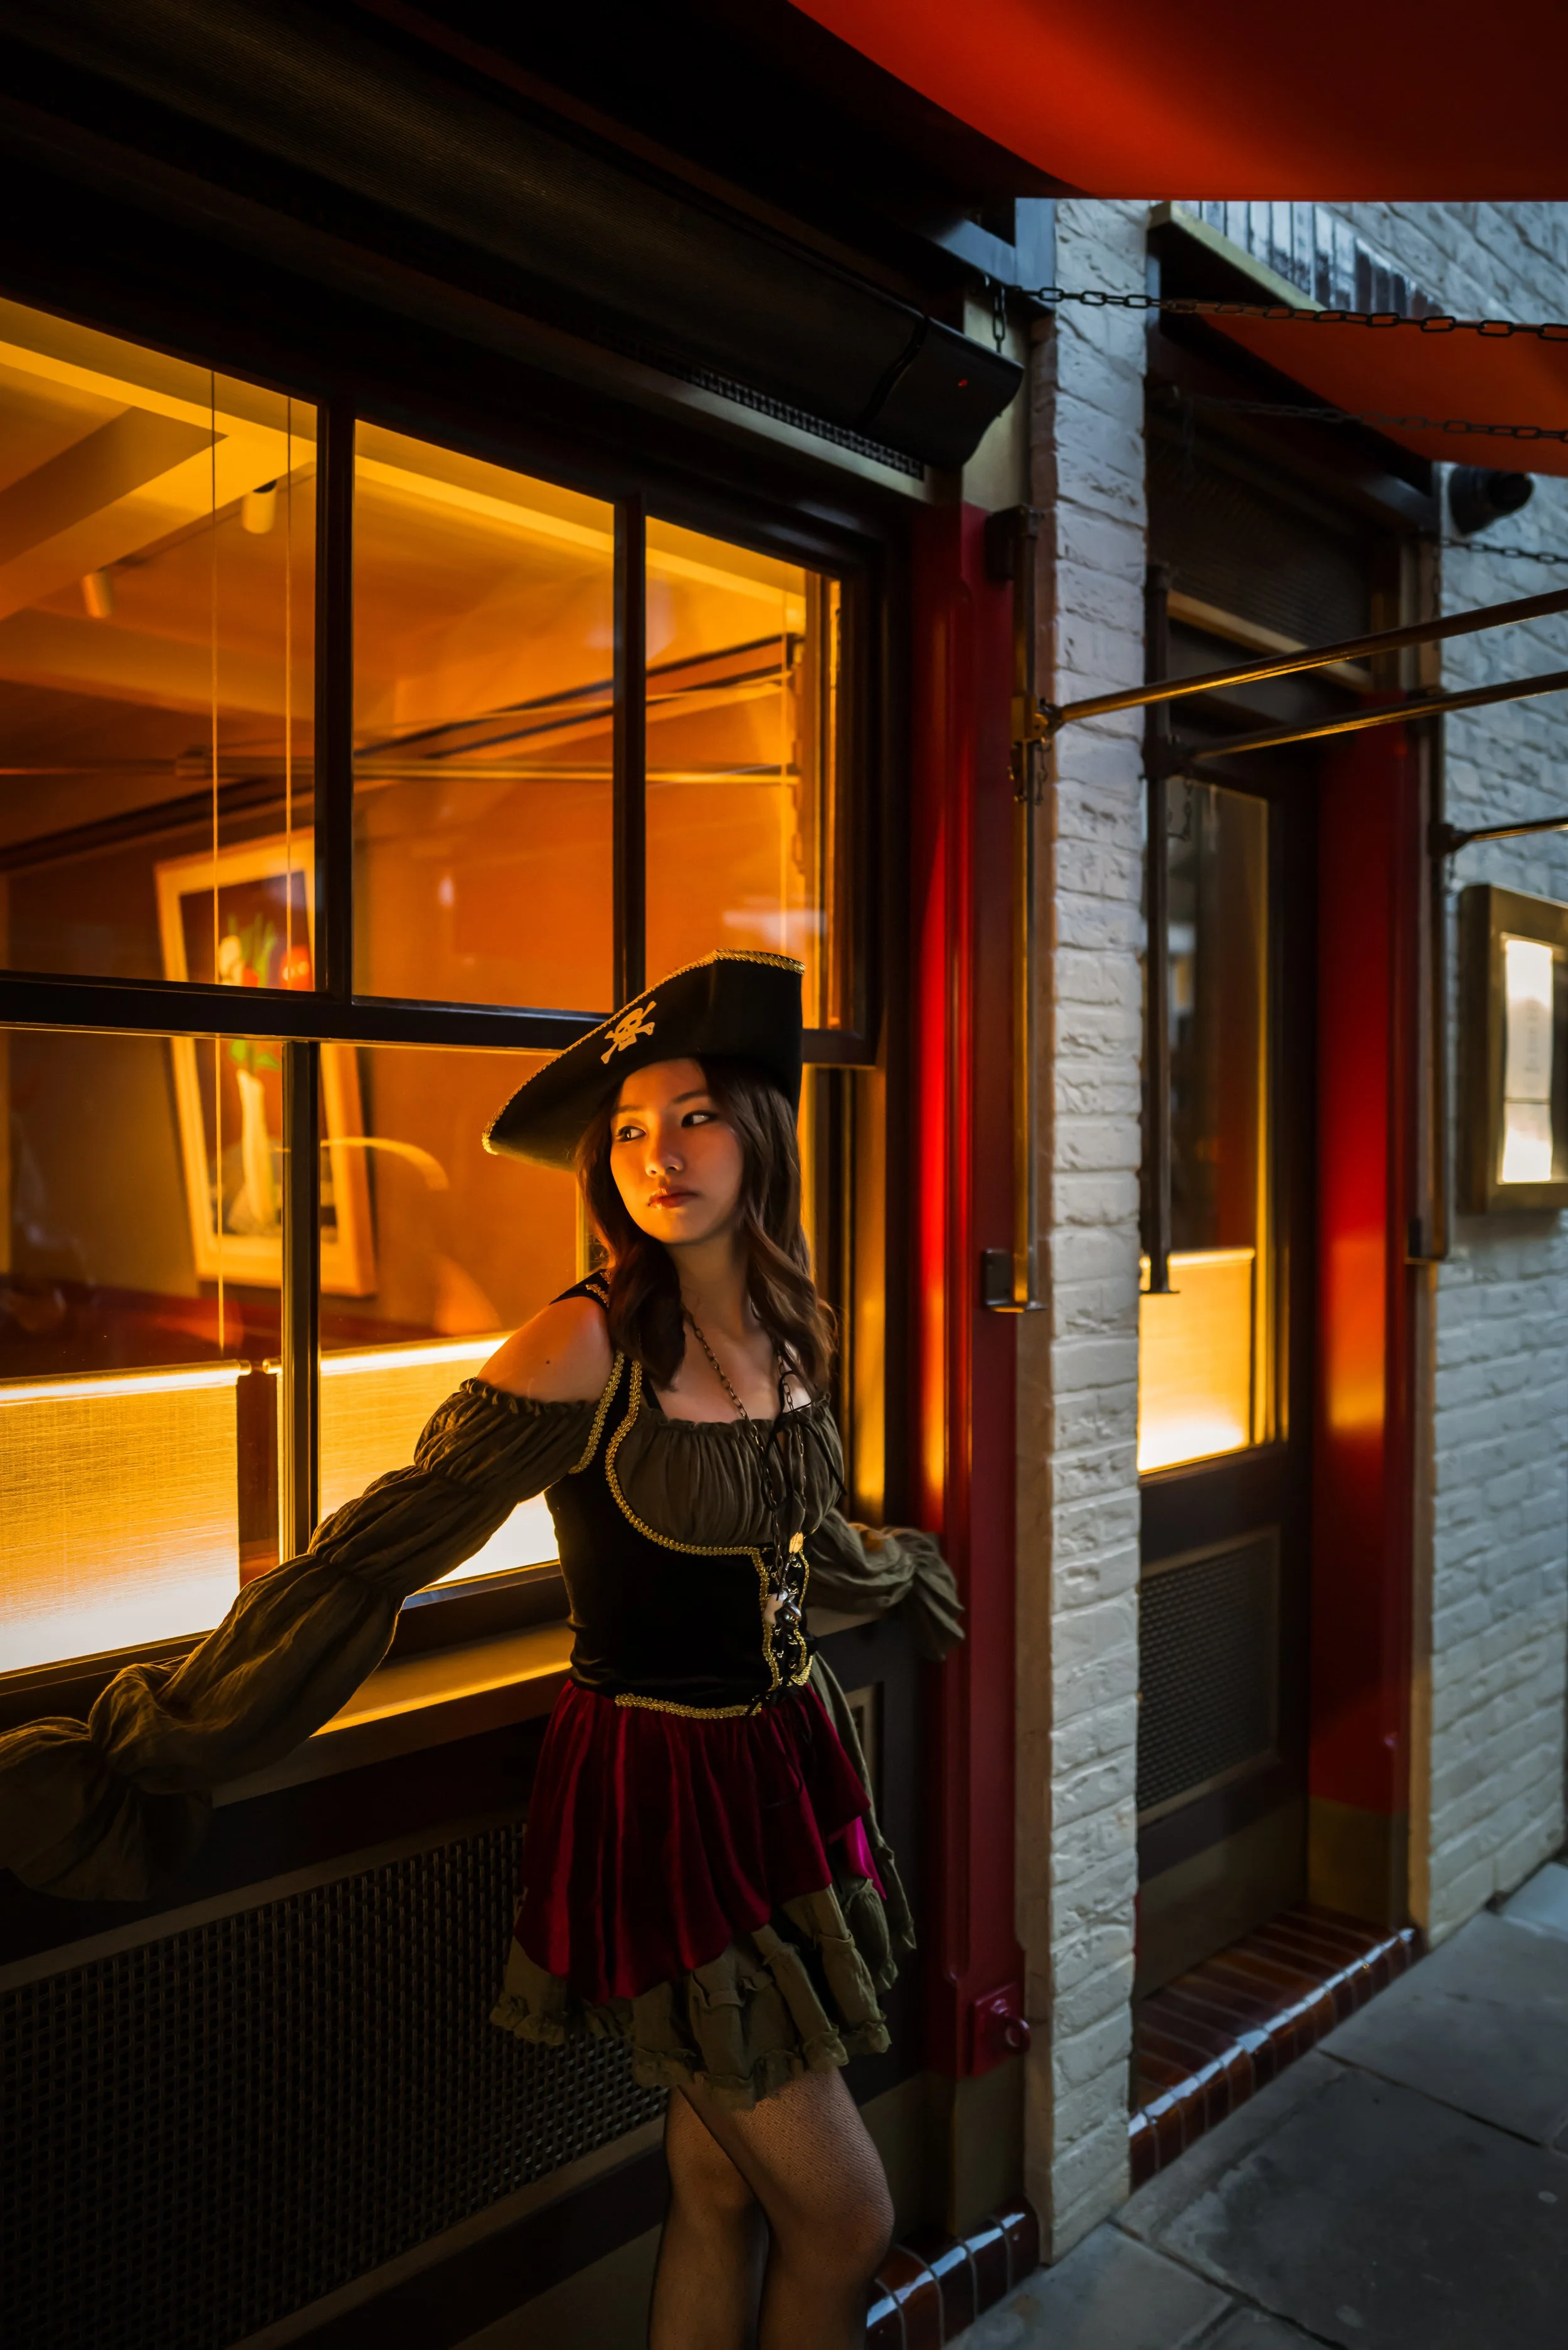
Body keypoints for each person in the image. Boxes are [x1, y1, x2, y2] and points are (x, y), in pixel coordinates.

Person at [0, 949, 962, 2350]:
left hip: (787, 1768)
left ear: (757, 1130)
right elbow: (372, 1554)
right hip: (663, 1798)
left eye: (691, 1116)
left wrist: (891, 1570)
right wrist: (168, 1738)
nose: (657, 1153)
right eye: (627, 1130)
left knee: (715, 2183)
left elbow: (789, 1536)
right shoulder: (583, 1341)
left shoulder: (788, 1320)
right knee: (848, 2218)